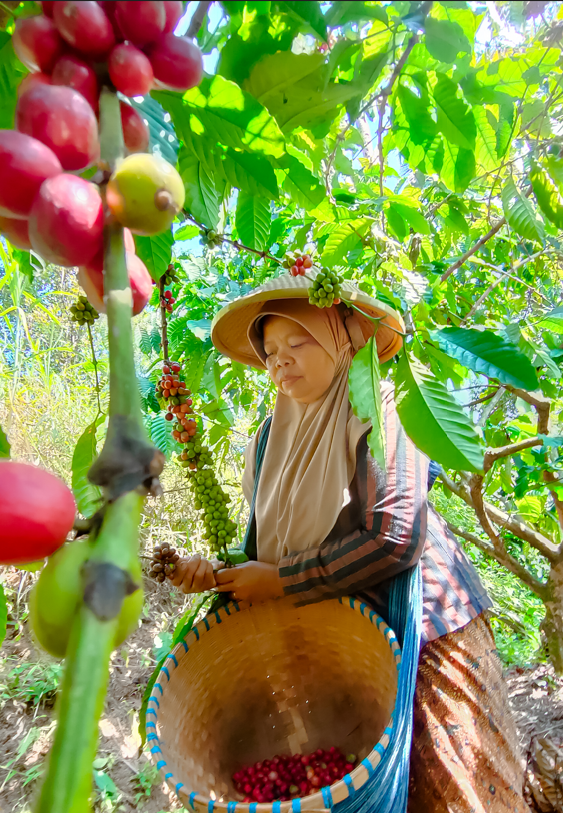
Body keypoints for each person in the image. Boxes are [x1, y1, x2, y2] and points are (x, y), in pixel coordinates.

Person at [167, 275, 525, 812]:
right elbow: (267, 550)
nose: (281, 361)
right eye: (270, 352)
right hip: (339, 637)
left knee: (453, 788)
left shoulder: (380, 411)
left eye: (298, 341)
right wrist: (214, 573)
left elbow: (396, 538)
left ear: (343, 339)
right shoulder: (267, 440)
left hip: (427, 628)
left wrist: (282, 581)